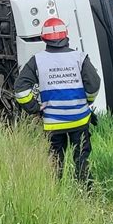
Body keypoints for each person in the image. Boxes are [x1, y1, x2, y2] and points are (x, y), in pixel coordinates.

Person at [14, 17, 101, 183]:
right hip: (79, 120)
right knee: (81, 159)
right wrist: (87, 101)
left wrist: (34, 107)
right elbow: (94, 85)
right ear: (66, 35)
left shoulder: (37, 61)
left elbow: (20, 89)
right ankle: (85, 193)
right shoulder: (80, 57)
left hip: (53, 123)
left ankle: (56, 192)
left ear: (43, 38)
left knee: (55, 161)